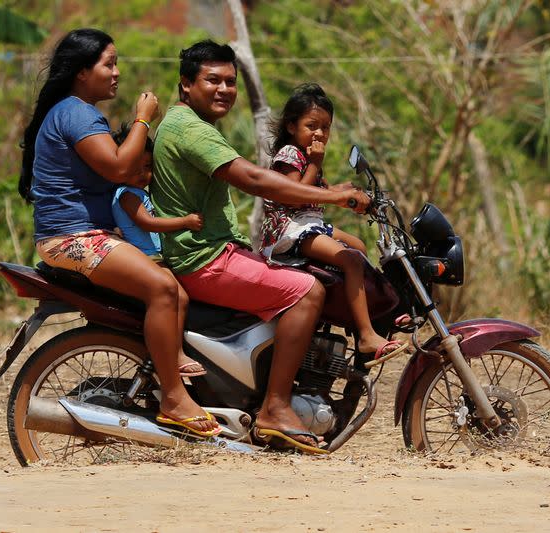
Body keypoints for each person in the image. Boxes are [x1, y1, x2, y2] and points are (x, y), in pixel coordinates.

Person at [150, 40, 370, 453]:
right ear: (185, 85)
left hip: (215, 250)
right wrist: (333, 197)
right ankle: (275, 406)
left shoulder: (195, 125)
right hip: (205, 258)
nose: (224, 89)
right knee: (309, 291)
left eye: (230, 81)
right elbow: (253, 180)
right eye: (212, 80)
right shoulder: (189, 129)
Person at [19, 28, 219, 437]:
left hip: (85, 234)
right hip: (71, 238)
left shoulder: (75, 111)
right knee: (162, 289)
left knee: (175, 290)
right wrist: (144, 117)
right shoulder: (76, 112)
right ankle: (174, 398)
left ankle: (172, 359)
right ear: (80, 72)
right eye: (108, 64)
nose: (117, 72)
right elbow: (121, 168)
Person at [261, 83, 404, 360]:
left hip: (308, 223)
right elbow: (294, 197)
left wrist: (346, 191)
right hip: (289, 229)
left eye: (325, 128)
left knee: (359, 247)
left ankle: (352, 312)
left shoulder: (306, 155)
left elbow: (319, 190)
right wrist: (315, 164)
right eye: (311, 125)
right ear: (292, 126)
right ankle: (365, 334)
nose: (319, 133)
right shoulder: (290, 154)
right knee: (350, 259)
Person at [109, 125, 206, 377]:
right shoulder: (127, 195)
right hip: (147, 257)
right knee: (179, 298)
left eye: (148, 167)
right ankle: (174, 354)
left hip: (154, 256)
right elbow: (147, 223)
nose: (144, 174)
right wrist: (185, 222)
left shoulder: (138, 192)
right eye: (136, 168)